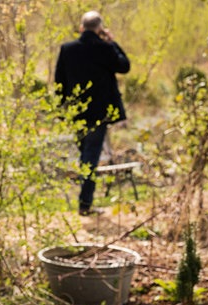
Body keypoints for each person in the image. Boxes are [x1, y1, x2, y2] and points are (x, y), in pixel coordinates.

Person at [54, 10, 130, 216]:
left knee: (86, 156)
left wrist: (62, 111)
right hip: (99, 115)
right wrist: (112, 42)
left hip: (76, 114)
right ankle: (85, 204)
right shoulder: (105, 48)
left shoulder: (67, 49)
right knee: (89, 158)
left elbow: (59, 81)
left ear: (81, 28)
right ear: (99, 29)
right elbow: (124, 66)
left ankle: (85, 202)